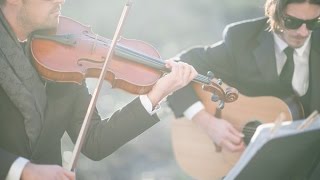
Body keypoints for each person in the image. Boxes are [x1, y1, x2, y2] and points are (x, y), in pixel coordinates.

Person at [0, 0, 198, 179]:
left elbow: (94, 142)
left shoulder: (65, 55)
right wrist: (21, 169)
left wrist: (156, 94)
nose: (61, 0)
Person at [167, 0, 320, 178]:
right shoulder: (242, 39)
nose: (303, 32)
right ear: (275, 12)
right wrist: (207, 122)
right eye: (292, 22)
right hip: (244, 166)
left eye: (313, 23)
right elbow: (176, 68)